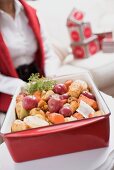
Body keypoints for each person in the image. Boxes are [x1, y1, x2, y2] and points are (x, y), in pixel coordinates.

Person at [0, 0, 62, 128]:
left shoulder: (32, 11)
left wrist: (50, 80)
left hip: (40, 79)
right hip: (10, 87)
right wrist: (25, 87)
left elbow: (49, 54)